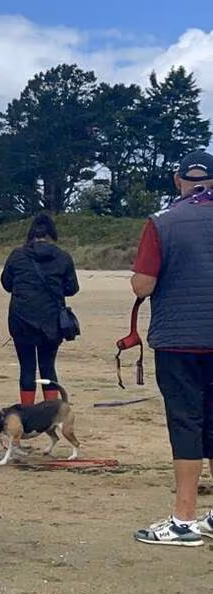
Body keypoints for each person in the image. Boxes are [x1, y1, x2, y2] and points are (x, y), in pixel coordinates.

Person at [129, 149, 213, 546]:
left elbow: (143, 285)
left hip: (181, 339)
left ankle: (183, 519)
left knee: (186, 423)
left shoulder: (163, 222)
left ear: (179, 181)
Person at [0, 212, 80, 405]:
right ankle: (51, 409)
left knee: (26, 367)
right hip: (52, 321)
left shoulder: (17, 255)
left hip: (21, 320)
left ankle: (28, 411)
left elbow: (7, 283)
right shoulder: (63, 257)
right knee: (48, 366)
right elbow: (72, 288)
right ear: (52, 234)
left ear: (31, 233)